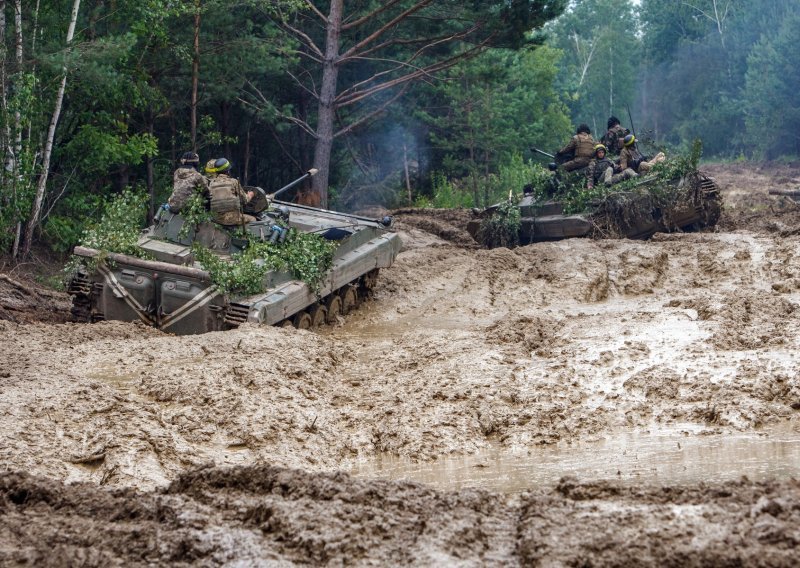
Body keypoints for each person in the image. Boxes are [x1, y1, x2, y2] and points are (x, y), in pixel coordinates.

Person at [206, 157, 256, 226]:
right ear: (228, 171)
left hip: (216, 219)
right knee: (253, 219)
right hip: (231, 218)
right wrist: (250, 195)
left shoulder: (211, 183)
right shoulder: (234, 182)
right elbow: (244, 200)